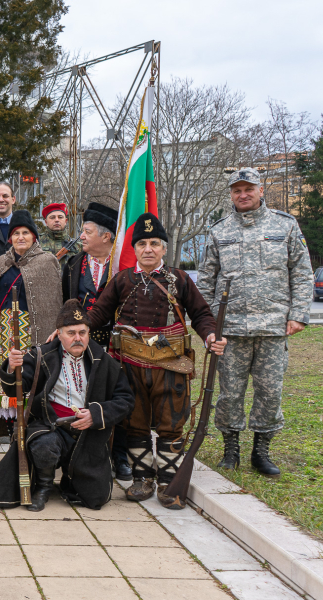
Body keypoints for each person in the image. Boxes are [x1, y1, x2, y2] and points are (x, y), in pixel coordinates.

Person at [86, 213, 226, 509]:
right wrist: (74, 329)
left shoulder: (181, 279)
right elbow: (99, 314)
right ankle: (141, 479)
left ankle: (168, 482)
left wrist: (211, 336)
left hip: (171, 365)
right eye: (142, 244)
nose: (148, 249)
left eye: (154, 244)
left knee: (171, 424)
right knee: (134, 423)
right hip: (130, 365)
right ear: (134, 249)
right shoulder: (122, 280)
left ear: (163, 248)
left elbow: (201, 314)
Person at [197, 168, 313, 477]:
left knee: (269, 391)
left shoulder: (285, 225)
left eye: (249, 189)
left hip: (273, 326)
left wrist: (298, 314)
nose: (243, 194)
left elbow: (301, 273)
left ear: (260, 191)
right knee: (229, 392)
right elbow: (206, 280)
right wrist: (208, 325)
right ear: (231, 194)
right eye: (237, 190)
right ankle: (230, 448)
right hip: (230, 328)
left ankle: (261, 451)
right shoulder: (219, 231)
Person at [0, 300, 135, 510]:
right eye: (71, 333)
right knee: (43, 445)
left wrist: (95, 414)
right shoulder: (42, 356)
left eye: (83, 332)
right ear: (59, 334)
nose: (78, 338)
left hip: (88, 432)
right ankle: (43, 487)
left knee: (96, 498)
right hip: (52, 427)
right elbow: (15, 389)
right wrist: (12, 367)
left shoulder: (104, 361)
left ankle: (72, 481)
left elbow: (126, 399)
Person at [0, 210, 62, 438]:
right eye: (16, 233)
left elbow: (53, 303)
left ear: (34, 236)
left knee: (27, 386)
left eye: (25, 232)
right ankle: (10, 443)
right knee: (3, 390)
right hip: (0, 335)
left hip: (31, 334)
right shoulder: (2, 262)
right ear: (10, 238)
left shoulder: (47, 262)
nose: (20, 237)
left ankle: (27, 440)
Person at [61, 201, 129, 479]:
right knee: (84, 396)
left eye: (88, 231)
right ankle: (81, 454)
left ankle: (121, 455)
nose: (82, 236)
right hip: (82, 345)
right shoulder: (73, 264)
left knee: (116, 397)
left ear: (107, 237)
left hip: (118, 344)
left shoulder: (124, 264)